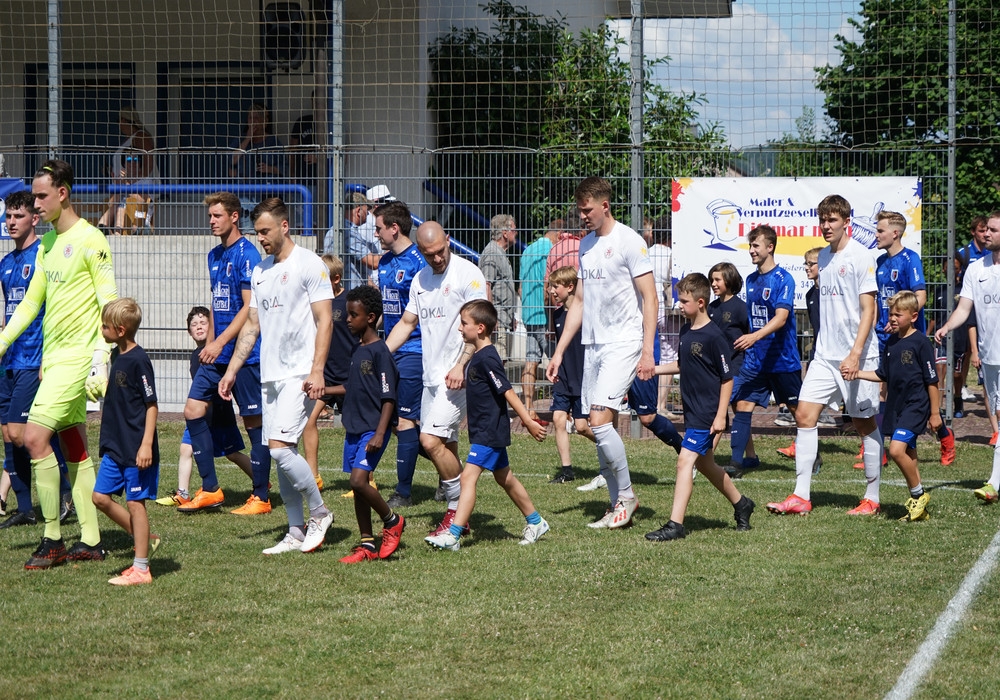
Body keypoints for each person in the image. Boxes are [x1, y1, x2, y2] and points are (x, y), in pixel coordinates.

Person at [0, 159, 118, 569]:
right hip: (52, 361)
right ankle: (91, 540)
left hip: (78, 360)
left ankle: (52, 538)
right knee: (74, 447)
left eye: (41, 196)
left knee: (34, 439)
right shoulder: (47, 244)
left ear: (63, 193)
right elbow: (30, 303)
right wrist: (2, 342)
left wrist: (102, 357)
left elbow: (108, 301)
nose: (35, 204)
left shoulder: (91, 239)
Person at [220, 197, 335, 554]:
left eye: (266, 231)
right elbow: (251, 325)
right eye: (257, 233)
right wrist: (232, 370)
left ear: (284, 226)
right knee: (279, 452)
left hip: (300, 374)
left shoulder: (309, 264)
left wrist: (317, 371)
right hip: (270, 375)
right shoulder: (260, 271)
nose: (261, 238)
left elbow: (325, 321)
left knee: (281, 449)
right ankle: (296, 530)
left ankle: (320, 513)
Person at [546, 177, 658, 530]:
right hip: (592, 345)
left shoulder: (629, 241)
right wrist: (559, 352)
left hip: (623, 342)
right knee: (592, 423)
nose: (582, 216)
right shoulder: (585, 245)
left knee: (598, 421)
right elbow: (578, 301)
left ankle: (626, 496)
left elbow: (651, 298)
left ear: (604, 205)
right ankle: (615, 505)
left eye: (587, 210)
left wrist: (647, 351)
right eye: (580, 210)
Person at [768, 194, 883, 516]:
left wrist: (855, 353)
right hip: (824, 356)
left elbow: (869, 309)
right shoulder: (823, 257)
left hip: (857, 357)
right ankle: (800, 496)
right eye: (822, 220)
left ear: (846, 222)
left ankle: (872, 498)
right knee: (804, 416)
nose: (826, 225)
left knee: (863, 424)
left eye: (832, 220)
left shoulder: (861, 256)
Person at [384, 221, 488, 536]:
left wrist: (461, 365)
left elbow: (480, 326)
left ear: (448, 240)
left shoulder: (468, 274)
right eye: (429, 254)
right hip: (431, 377)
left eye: (441, 251)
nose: (437, 258)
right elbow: (407, 322)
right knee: (448, 445)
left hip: (459, 376)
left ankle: (457, 513)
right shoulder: (420, 280)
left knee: (429, 441)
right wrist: (379, 354)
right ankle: (463, 513)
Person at [425, 300, 548, 551]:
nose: (460, 328)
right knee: (505, 478)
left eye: (464, 323)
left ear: (480, 328)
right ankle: (536, 522)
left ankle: (453, 535)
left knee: (467, 478)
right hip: (485, 429)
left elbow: (506, 390)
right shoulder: (479, 356)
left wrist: (528, 421)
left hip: (489, 431)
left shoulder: (488, 358)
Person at [180, 192, 270, 515]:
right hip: (217, 354)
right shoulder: (214, 255)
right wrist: (210, 344)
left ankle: (261, 496)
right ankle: (210, 489)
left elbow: (248, 308)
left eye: (217, 215)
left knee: (253, 422)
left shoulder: (248, 254)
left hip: (245, 354)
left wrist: (220, 343)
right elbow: (216, 305)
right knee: (192, 410)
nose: (211, 221)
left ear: (234, 217)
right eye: (210, 216)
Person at [645, 273, 755, 541]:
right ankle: (742, 504)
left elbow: (727, 378)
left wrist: (720, 417)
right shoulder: (685, 331)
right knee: (706, 465)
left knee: (684, 461)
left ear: (701, 302)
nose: (679, 305)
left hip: (707, 413)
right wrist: (653, 369)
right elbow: (683, 365)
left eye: (684, 301)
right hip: (692, 410)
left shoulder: (714, 336)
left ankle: (675, 525)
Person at [0, 190, 72, 529]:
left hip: (33, 358)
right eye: (8, 216)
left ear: (34, 218)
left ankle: (66, 491)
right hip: (9, 360)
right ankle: (26, 508)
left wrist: (49, 355)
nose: (11, 222)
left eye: (18, 216)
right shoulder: (5, 263)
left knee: (22, 433)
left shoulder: (44, 255)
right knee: (8, 434)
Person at [324, 285, 406, 563]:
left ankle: (392, 520)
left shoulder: (380, 352)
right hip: (354, 429)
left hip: (372, 429)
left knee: (358, 481)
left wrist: (380, 433)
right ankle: (367, 544)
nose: (347, 320)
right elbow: (352, 386)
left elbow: (388, 396)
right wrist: (324, 390)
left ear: (370, 318)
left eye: (353, 315)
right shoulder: (357, 349)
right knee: (359, 489)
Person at [873, 210, 954, 466]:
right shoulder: (880, 262)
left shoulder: (910, 259)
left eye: (880, 230)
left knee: (914, 392)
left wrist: (901, 321)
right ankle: (882, 450)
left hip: (908, 339)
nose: (876, 235)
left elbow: (921, 295)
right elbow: (878, 300)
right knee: (884, 390)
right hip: (886, 337)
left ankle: (944, 435)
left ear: (895, 233)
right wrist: (877, 325)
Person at [91, 298, 160, 585]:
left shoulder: (139, 360)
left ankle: (141, 569)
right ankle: (145, 538)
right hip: (115, 445)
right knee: (100, 497)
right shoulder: (115, 355)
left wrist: (146, 445)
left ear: (120, 330)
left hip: (135, 447)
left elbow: (151, 405)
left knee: (135, 503)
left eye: (105, 326)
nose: (102, 329)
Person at [155, 306, 252, 507]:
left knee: (232, 454)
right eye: (194, 324)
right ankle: (183, 493)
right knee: (186, 448)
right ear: (189, 331)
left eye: (203, 322)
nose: (199, 327)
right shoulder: (196, 355)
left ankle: (261, 482)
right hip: (202, 416)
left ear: (212, 327)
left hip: (219, 415)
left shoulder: (217, 356)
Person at [725, 225, 801, 478]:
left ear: (770, 247)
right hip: (756, 361)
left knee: (799, 413)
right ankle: (737, 463)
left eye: (756, 246)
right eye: (750, 246)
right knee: (742, 404)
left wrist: (754, 336)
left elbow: (781, 318)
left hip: (782, 360)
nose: (751, 250)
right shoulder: (751, 280)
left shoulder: (783, 279)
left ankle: (812, 455)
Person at [857, 291, 940, 522]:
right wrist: (857, 373)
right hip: (896, 406)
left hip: (916, 405)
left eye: (898, 314)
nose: (892, 318)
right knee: (909, 453)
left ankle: (919, 495)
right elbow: (882, 374)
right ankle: (918, 508)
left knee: (895, 450)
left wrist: (935, 413)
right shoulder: (891, 342)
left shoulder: (921, 343)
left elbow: (932, 381)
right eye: (891, 314)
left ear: (913, 316)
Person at [935, 210, 1000, 503]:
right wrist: (947, 326)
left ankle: (993, 483)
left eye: (994, 230)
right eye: (986, 230)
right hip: (991, 356)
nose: (987, 234)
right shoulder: (976, 269)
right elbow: (964, 308)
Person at [374, 201, 427, 508]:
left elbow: (416, 317)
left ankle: (403, 493)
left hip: (415, 350)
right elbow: (387, 308)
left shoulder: (419, 263)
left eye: (379, 228)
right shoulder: (384, 262)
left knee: (405, 420)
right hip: (391, 348)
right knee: (396, 422)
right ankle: (447, 467)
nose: (376, 234)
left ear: (394, 228)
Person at [302, 254, 358, 493]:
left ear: (335, 279)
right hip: (324, 376)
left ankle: (364, 479)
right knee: (308, 421)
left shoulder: (349, 303)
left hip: (348, 376)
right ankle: (313, 477)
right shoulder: (314, 302)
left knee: (355, 427)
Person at [546, 266, 596, 485]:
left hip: (583, 376)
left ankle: (609, 447)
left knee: (582, 426)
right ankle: (567, 470)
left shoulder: (587, 313)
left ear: (570, 286)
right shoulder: (557, 315)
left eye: (555, 286)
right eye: (550, 286)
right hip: (564, 377)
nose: (551, 291)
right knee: (558, 419)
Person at [707, 261, 749, 461]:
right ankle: (751, 455)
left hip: (735, 366)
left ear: (729, 280)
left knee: (720, 409)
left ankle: (705, 456)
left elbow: (751, 334)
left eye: (717, 280)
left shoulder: (741, 308)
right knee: (737, 409)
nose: (713, 284)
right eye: (712, 280)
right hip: (716, 368)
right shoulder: (711, 307)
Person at [519, 221, 560, 422]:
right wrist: (552, 320)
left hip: (529, 315)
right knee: (559, 364)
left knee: (530, 362)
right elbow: (548, 289)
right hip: (545, 317)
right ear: (558, 234)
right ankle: (564, 410)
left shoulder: (527, 251)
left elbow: (520, 288)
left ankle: (529, 408)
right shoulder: (551, 251)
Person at [98, 106, 160, 234]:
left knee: (123, 199)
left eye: (120, 121)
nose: (119, 125)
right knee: (118, 200)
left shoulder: (141, 136)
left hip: (137, 186)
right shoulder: (129, 139)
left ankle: (111, 227)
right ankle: (107, 227)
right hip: (123, 185)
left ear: (125, 120)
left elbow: (148, 165)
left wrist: (131, 181)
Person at [479, 214, 518, 360]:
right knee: (497, 363)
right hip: (496, 321)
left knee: (500, 362)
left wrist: (511, 316)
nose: (516, 233)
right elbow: (486, 285)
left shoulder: (500, 253)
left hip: (502, 319)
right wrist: (491, 317)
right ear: (505, 233)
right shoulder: (492, 254)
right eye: (514, 229)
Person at [344, 192, 380, 289]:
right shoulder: (347, 233)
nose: (368, 214)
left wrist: (375, 289)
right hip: (349, 292)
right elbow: (373, 262)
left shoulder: (348, 230)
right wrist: (395, 250)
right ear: (359, 211)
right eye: (366, 210)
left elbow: (358, 268)